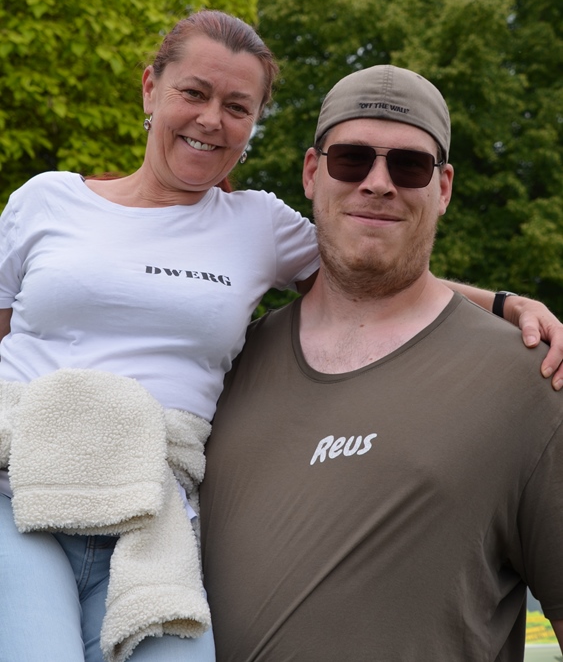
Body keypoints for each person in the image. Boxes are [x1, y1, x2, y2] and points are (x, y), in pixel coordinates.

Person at [0, 13, 560, 662]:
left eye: (237, 106)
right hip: (21, 486)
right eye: (193, 93)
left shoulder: (257, 226)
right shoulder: (46, 201)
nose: (211, 119)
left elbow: (368, 258)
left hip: (153, 520)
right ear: (150, 88)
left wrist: (503, 303)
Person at [200, 63, 563, 661]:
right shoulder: (224, 368)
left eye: (409, 166)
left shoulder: (529, 381)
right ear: (312, 172)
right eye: (351, 159)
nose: (378, 183)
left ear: (443, 188)